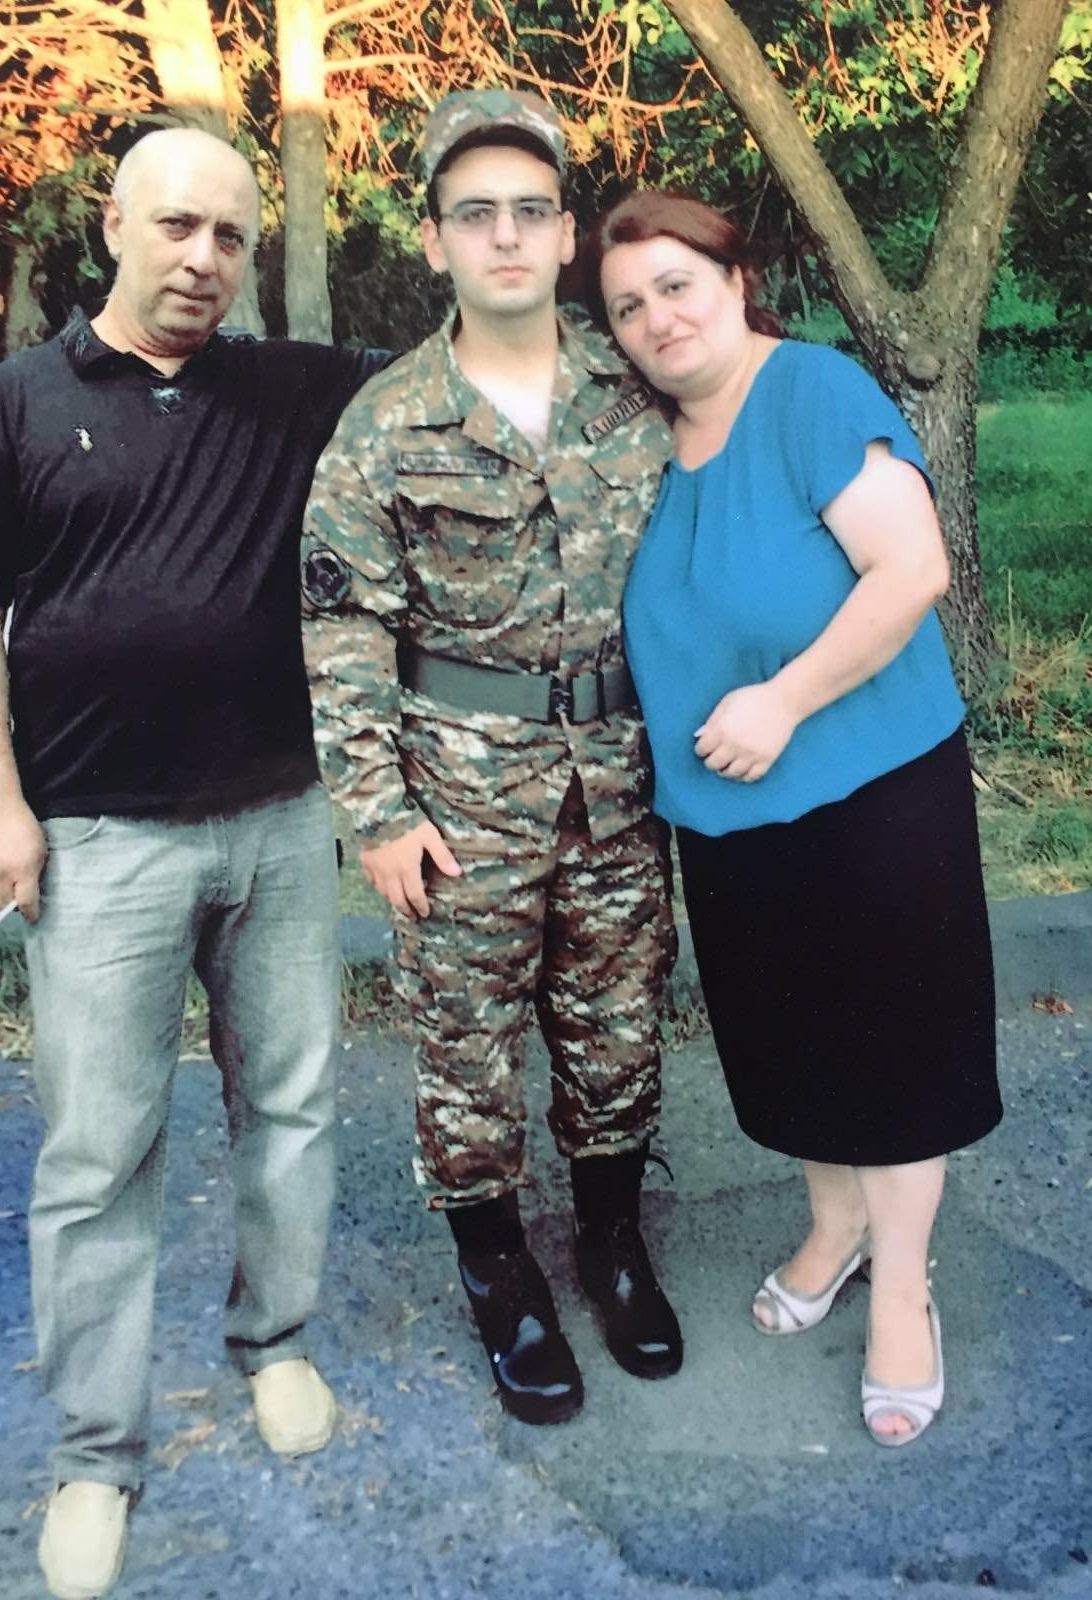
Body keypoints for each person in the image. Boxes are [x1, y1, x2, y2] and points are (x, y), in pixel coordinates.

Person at [0, 128, 388, 1598]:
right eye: (177, 226)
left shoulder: (291, 391)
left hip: (281, 822)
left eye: (230, 237)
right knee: (98, 1153)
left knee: (290, 1107)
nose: (203, 259)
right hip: (99, 838)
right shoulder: (16, 405)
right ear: (113, 224)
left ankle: (273, 1344)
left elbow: (467, 374)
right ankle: (95, 1455)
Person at [581, 190, 1002, 1448]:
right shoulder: (645, 446)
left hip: (874, 790)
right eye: (627, 306)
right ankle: (836, 1223)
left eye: (676, 284)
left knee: (896, 1048)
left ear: (734, 277)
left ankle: (905, 1289)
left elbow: (912, 567)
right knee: (791, 1041)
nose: (657, 317)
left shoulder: (809, 391)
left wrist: (784, 698)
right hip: (726, 812)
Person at [301, 89, 683, 1426]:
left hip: (623, 781)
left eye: (531, 210)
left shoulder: (639, 388)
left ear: (570, 234)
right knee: (466, 1048)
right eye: (476, 215)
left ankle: (615, 1243)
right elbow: (343, 624)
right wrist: (376, 812)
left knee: (618, 1027)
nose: (506, 236)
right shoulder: (387, 424)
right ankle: (499, 1270)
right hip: (460, 795)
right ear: (434, 241)